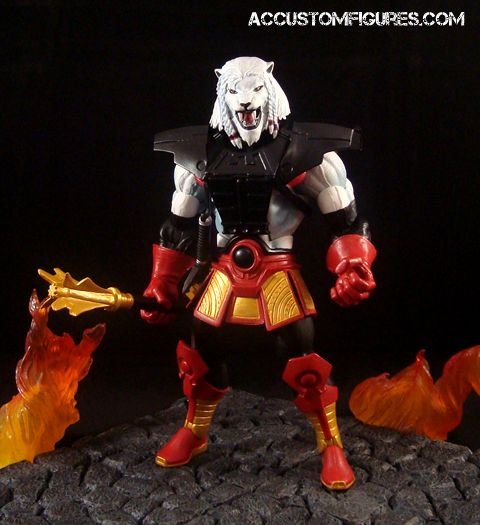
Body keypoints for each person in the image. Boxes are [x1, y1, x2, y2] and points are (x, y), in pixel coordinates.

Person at [141, 57, 376, 490]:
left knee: (303, 359)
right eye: (235, 91)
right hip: (222, 269)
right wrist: (162, 283)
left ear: (269, 90)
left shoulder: (305, 153)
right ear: (223, 94)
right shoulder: (199, 155)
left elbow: (345, 219)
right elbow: (176, 226)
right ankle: (195, 430)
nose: (246, 101)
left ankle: (330, 443)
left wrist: (353, 265)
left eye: (254, 89)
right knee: (199, 352)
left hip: (276, 268)